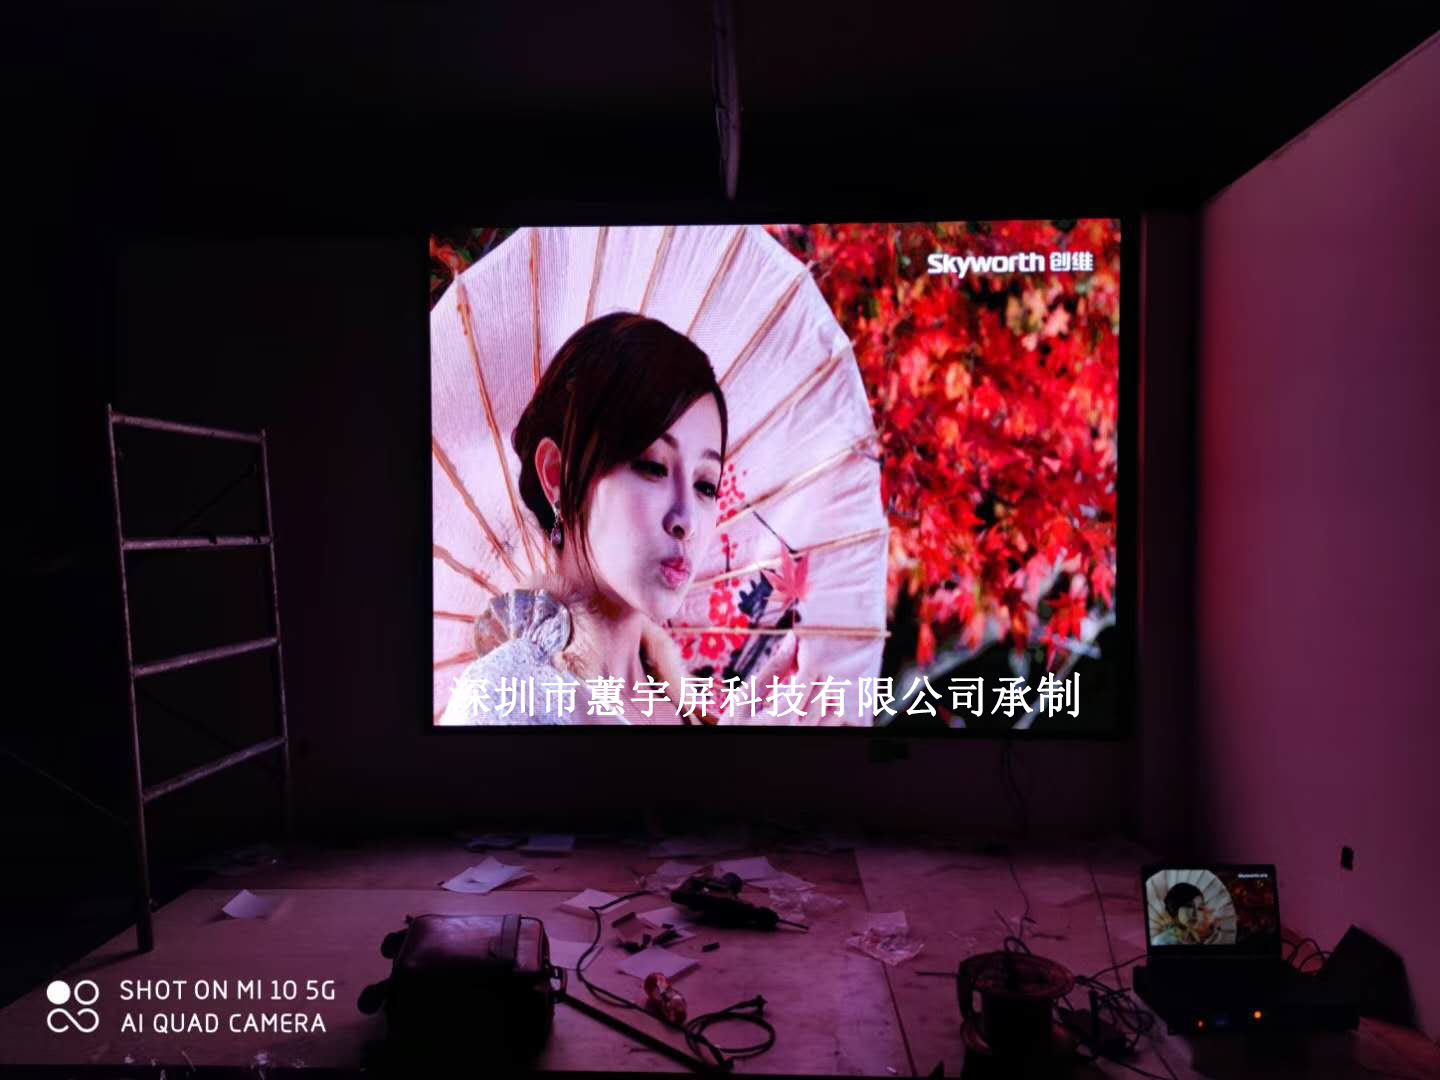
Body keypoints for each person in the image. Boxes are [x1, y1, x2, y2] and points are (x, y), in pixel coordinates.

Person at [439, 312, 729, 725]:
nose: (687, 520)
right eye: (652, 466)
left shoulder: (690, 711)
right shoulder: (506, 699)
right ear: (557, 474)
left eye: (706, 485)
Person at [1152, 882, 1219, 945]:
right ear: (1175, 910)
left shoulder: (1195, 936)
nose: (1195, 914)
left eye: (1199, 908)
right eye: (1189, 907)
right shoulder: (1161, 941)